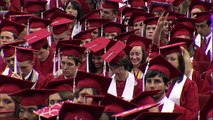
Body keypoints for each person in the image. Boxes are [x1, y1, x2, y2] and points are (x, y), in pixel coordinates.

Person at [160, 42, 199, 119]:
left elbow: (192, 114)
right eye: (166, 59)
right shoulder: (158, 81)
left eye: (173, 59)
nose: (168, 62)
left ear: (180, 63)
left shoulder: (188, 85)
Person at [142, 55, 188, 120]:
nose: (152, 85)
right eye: (149, 81)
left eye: (157, 81)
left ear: (167, 85)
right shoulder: (138, 109)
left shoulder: (179, 113)